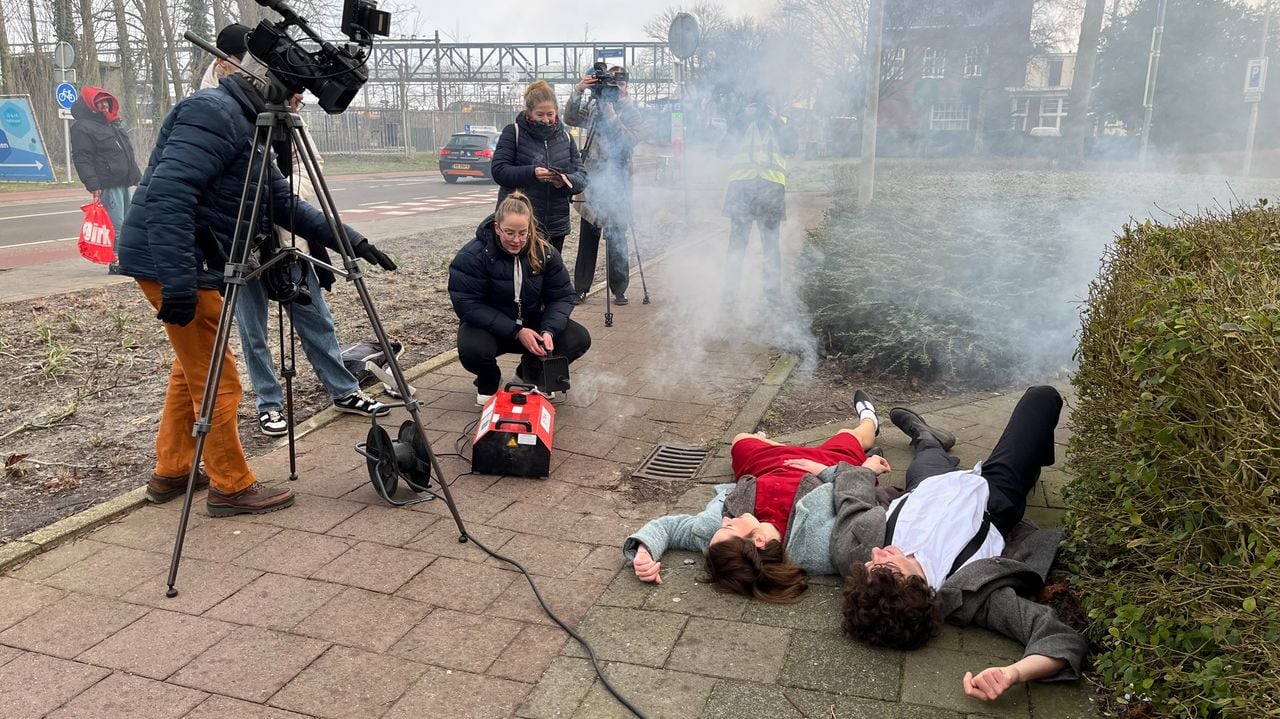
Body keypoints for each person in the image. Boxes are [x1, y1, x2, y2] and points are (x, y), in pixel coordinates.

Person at [115, 54, 398, 517]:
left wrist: (352, 241)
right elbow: (170, 194)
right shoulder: (213, 112)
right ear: (268, 85)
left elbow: (282, 201)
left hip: (189, 260)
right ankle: (230, 485)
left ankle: (174, 468)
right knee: (218, 382)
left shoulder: (249, 125)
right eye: (295, 93)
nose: (300, 103)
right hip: (174, 261)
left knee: (190, 369)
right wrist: (179, 278)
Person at [833, 386, 1088, 701]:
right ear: (912, 586)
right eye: (885, 563)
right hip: (994, 494)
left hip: (926, 486)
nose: (874, 552)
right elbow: (1060, 638)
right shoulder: (974, 598)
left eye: (869, 563)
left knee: (927, 455)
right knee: (1042, 397)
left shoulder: (852, 557)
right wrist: (1014, 672)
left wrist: (863, 470)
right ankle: (1031, 458)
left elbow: (850, 500)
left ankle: (928, 437)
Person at [199, 23, 389, 436]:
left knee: (315, 315)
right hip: (239, 244)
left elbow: (303, 180)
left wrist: (337, 236)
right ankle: (269, 403)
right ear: (226, 61)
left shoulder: (280, 107)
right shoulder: (212, 110)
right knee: (253, 330)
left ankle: (343, 388)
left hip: (289, 238)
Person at [624, 391, 888, 603]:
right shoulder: (815, 549)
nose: (725, 520)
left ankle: (783, 447)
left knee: (740, 440)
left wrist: (644, 551)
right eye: (729, 527)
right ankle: (870, 421)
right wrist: (864, 470)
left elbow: (671, 528)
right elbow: (857, 504)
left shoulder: (717, 537)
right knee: (847, 437)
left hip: (765, 467)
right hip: (827, 467)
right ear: (759, 540)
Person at [447, 192, 591, 405]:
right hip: (491, 329)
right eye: (509, 233)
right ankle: (489, 381)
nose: (517, 240)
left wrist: (549, 330)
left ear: (530, 228)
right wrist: (516, 331)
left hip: (533, 325)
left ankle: (529, 374)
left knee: (578, 338)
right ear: (497, 228)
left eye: (523, 233)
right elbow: (467, 304)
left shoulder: (545, 252)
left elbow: (562, 296)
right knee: (472, 350)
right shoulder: (472, 256)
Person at [563, 65, 645, 305]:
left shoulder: (631, 111)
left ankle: (619, 288)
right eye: (611, 84)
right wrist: (579, 90)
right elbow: (569, 117)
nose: (614, 89)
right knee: (588, 234)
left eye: (619, 84)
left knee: (617, 234)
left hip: (618, 179)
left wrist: (610, 113)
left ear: (626, 86)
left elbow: (629, 140)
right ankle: (581, 287)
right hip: (594, 178)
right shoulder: (593, 106)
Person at [491, 80, 587, 255]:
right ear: (529, 113)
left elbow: (581, 176)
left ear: (556, 112)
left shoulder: (565, 137)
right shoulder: (513, 133)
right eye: (540, 114)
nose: (546, 119)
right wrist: (532, 173)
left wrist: (565, 181)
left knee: (550, 276)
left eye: (550, 114)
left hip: (556, 225)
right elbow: (499, 171)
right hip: (520, 225)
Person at [720, 95, 797, 304]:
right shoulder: (741, 122)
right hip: (742, 190)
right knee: (737, 246)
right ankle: (730, 295)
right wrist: (743, 118)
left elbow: (791, 148)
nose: (763, 110)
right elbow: (724, 148)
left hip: (770, 191)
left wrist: (777, 120)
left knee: (771, 248)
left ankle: (772, 298)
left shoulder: (783, 123)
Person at [70, 85, 142, 274]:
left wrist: (136, 177)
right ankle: (116, 260)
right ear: (90, 104)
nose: (103, 105)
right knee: (116, 224)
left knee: (128, 222)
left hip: (124, 182)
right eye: (99, 101)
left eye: (106, 101)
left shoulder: (111, 123)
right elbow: (82, 158)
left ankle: (127, 258)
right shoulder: (82, 127)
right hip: (108, 184)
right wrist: (93, 184)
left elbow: (127, 153)